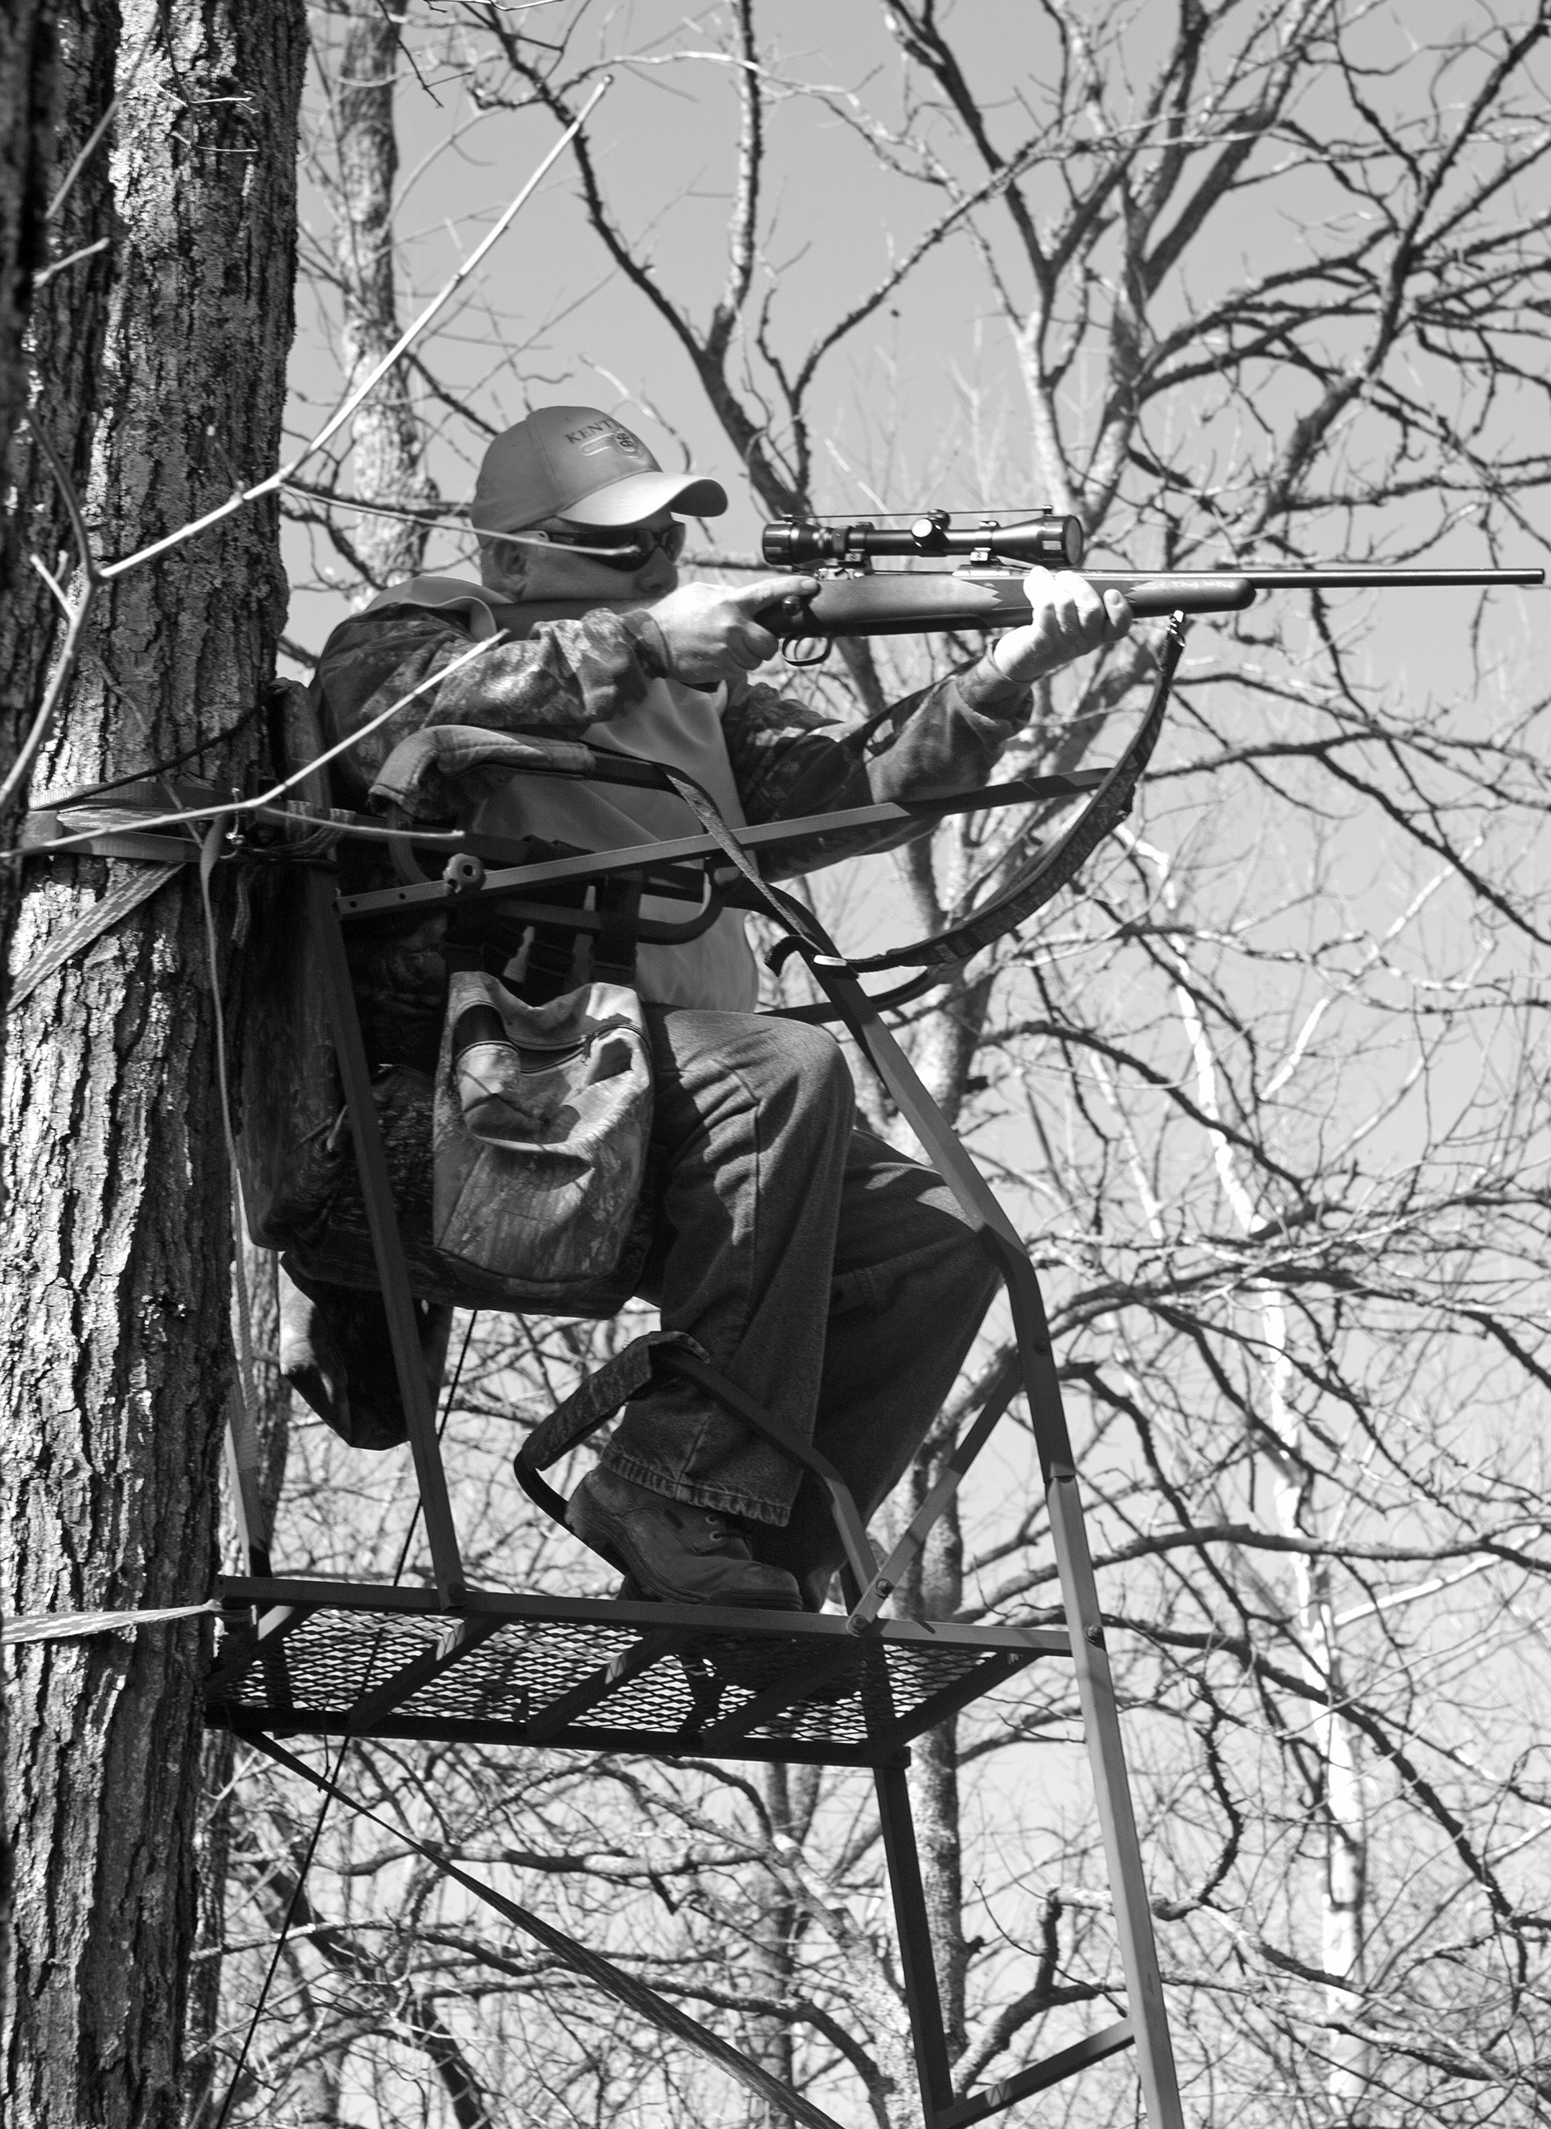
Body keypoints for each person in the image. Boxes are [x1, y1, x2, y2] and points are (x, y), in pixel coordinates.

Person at [314, 402, 1131, 1611]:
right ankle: (668, 1488)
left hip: (671, 1092)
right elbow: (389, 718)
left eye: (667, 540)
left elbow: (844, 789)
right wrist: (644, 640)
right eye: (619, 544)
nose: (656, 563)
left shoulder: (703, 697)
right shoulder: (430, 630)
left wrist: (1001, 679)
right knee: (783, 1067)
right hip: (506, 1068)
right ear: (508, 560)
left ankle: (746, 1574)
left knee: (938, 1246)